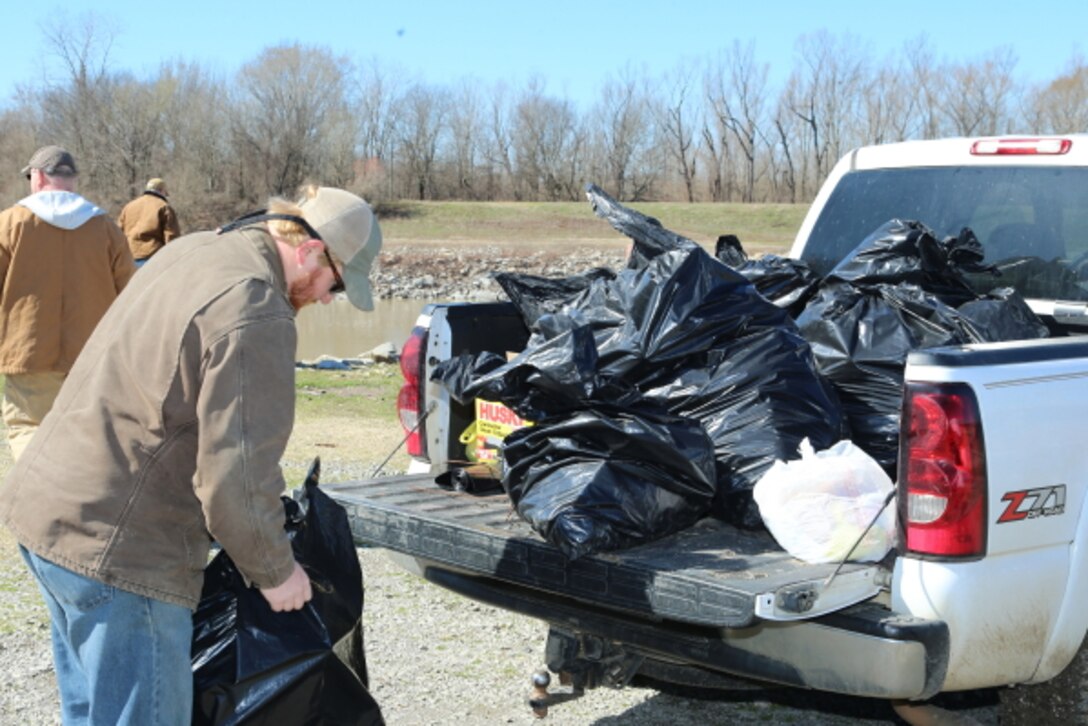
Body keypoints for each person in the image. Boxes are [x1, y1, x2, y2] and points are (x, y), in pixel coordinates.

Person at [0, 185, 382, 724]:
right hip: (122, 553)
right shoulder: (257, 309)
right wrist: (277, 573)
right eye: (335, 285)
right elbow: (235, 479)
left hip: (48, 513)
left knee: (91, 714)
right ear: (312, 250)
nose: (326, 299)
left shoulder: (197, 248)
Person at [0, 145, 135, 461]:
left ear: (38, 177)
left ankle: (38, 499)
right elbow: (130, 293)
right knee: (85, 434)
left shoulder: (9, 224)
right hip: (90, 354)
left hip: (27, 352)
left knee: (27, 428)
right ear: (71, 179)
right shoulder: (105, 228)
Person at [117, 177, 181, 266]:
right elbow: (171, 235)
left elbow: (118, 232)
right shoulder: (164, 207)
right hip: (153, 256)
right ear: (161, 190)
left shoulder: (129, 207)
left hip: (130, 256)